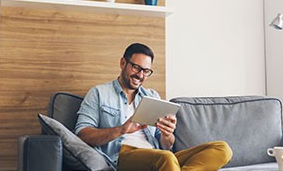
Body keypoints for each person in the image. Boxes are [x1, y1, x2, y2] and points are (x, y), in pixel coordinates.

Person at [75, 43, 232, 171]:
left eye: (146, 71)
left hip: (158, 157)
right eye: (136, 68)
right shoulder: (99, 93)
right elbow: (82, 135)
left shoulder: (152, 97)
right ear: (123, 63)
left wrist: (167, 135)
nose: (140, 75)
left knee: (222, 149)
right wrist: (121, 129)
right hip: (123, 156)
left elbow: (166, 145)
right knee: (166, 158)